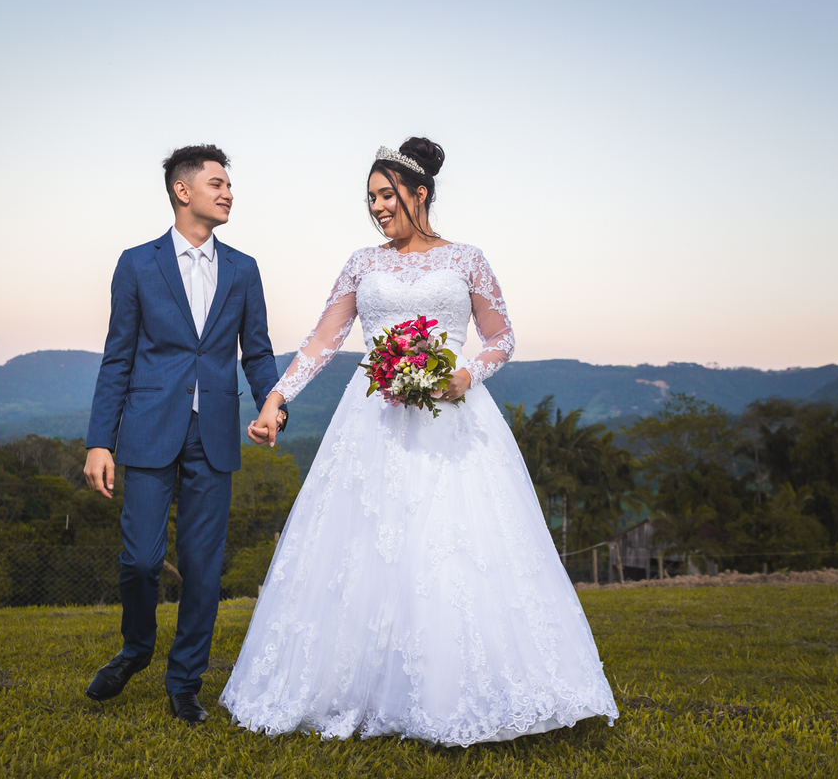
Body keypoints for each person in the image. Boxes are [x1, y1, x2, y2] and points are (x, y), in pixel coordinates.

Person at [220, 137, 617, 746]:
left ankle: (463, 689)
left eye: (387, 195)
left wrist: (466, 374)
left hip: (454, 417)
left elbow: (501, 337)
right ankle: (364, 687)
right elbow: (322, 342)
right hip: (372, 418)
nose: (378, 208)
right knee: (368, 546)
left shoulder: (467, 259)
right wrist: (275, 400)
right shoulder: (361, 263)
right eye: (371, 198)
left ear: (420, 193)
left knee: (453, 545)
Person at [83, 144, 287, 726]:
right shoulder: (136, 264)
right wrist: (100, 441)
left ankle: (185, 683)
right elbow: (117, 358)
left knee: (203, 568)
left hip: (215, 434)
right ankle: (136, 648)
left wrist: (273, 406)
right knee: (140, 561)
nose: (228, 194)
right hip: (148, 430)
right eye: (217, 183)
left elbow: (258, 351)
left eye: (229, 185)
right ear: (183, 190)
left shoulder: (243, 269)